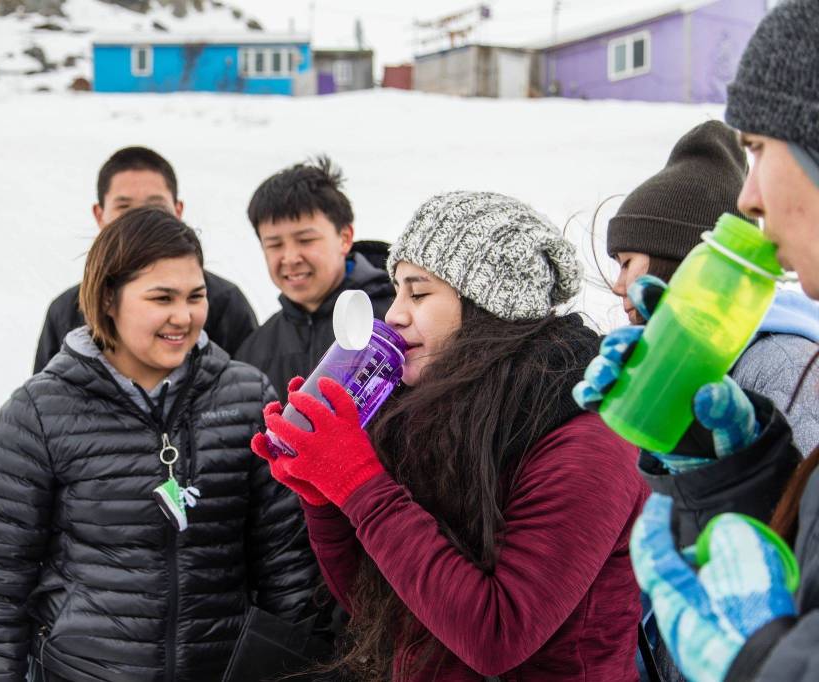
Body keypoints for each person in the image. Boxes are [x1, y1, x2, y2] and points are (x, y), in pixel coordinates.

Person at [252, 191, 650, 680]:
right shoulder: (440, 412)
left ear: (489, 306)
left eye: (418, 293)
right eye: (397, 290)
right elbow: (376, 603)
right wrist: (324, 494)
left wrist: (360, 484)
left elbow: (496, 636)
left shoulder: (586, 441)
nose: (394, 315)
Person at [0, 208, 317, 681]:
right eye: (161, 297)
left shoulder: (247, 397)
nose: (183, 316)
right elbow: (0, 590)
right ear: (108, 298)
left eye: (196, 296)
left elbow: (286, 567)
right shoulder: (38, 414)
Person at [576, 3, 819, 680]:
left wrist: (765, 661)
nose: (747, 198)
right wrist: (722, 471)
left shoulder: (790, 366)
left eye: (761, 149)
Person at [604, 119, 819, 455]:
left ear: (683, 259)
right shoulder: (689, 363)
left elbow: (799, 503)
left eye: (627, 262)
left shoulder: (784, 362)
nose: (618, 286)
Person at [33, 146, 258, 373]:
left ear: (178, 211)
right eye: (124, 207)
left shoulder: (226, 304)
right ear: (100, 215)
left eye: (155, 206)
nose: (140, 219)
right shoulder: (66, 312)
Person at [235, 156, 395, 402]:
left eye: (305, 240)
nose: (290, 258)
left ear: (344, 237)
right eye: (274, 244)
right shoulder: (254, 351)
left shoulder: (396, 317)